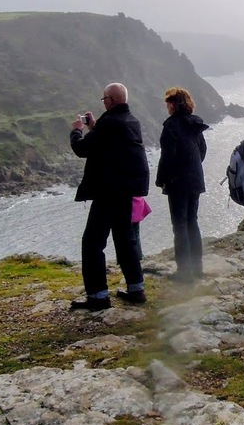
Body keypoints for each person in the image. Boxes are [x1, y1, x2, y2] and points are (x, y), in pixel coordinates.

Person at [70, 82, 150, 310]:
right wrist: (95, 126)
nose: (103, 101)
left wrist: (77, 129)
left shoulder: (110, 123)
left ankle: (98, 296)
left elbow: (82, 149)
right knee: (125, 240)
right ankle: (137, 288)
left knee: (93, 243)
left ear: (111, 100)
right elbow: (111, 145)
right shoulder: (131, 121)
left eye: (104, 98)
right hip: (126, 192)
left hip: (107, 192)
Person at [155, 87, 208, 283]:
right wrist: (192, 167)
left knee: (179, 225)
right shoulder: (194, 124)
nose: (167, 106)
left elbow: (167, 157)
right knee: (192, 222)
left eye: (169, 102)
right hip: (195, 179)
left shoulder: (171, 126)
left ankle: (184, 272)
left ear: (174, 104)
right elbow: (202, 150)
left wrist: (161, 179)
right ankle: (197, 267)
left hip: (178, 181)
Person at [131, 196, 152, 260]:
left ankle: (135, 256)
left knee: (129, 236)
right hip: (137, 204)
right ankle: (139, 255)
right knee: (136, 234)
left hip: (130, 207)